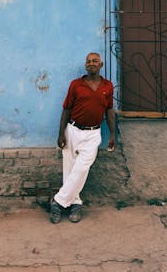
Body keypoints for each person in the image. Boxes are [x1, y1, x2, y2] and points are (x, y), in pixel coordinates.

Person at [50, 52, 116, 224]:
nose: (91, 63)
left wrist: (113, 134)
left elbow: (109, 111)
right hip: (72, 130)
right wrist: (61, 133)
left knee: (82, 168)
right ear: (85, 65)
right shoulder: (76, 85)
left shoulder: (108, 86)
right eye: (88, 61)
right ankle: (75, 204)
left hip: (93, 133)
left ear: (101, 65)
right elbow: (66, 109)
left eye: (95, 61)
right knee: (70, 169)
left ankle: (57, 201)